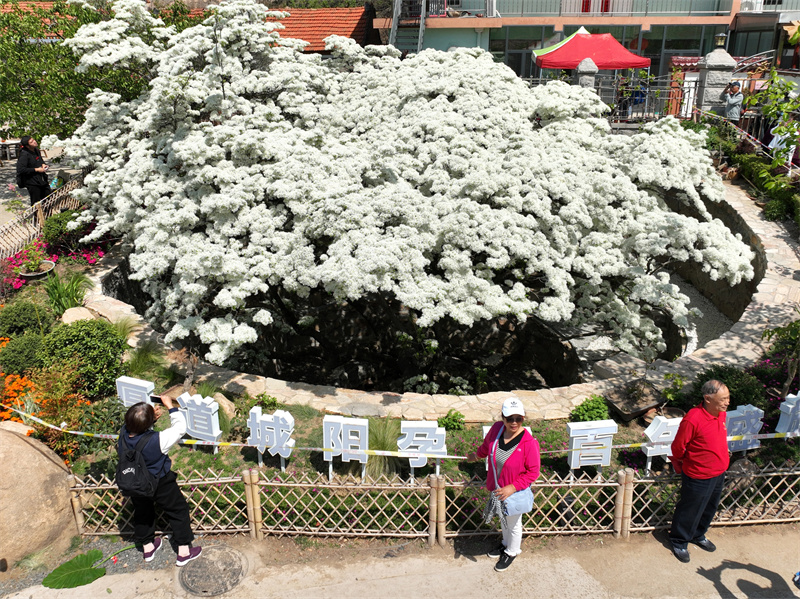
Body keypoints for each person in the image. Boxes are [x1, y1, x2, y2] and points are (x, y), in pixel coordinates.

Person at [120, 397, 202, 566]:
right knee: (178, 510)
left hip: (136, 482)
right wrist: (170, 407)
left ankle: (148, 547)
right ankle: (184, 551)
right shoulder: (158, 440)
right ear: (148, 423)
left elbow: (137, 429)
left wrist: (150, 420)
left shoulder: (123, 434)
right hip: (160, 482)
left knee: (142, 511)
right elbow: (180, 428)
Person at [466, 396, 540, 572]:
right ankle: (506, 544)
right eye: (509, 419)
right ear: (502, 418)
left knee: (513, 523)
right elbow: (487, 447)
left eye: (518, 418)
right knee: (504, 518)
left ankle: (512, 551)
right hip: (498, 488)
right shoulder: (497, 429)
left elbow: (533, 472)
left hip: (514, 491)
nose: (514, 423)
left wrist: (512, 487)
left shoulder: (529, 443)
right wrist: (476, 456)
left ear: (523, 418)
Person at [668, 379, 730, 563]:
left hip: (718, 472)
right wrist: (688, 462)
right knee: (690, 509)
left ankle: (698, 534)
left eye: (728, 398)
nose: (727, 402)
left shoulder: (721, 414)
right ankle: (679, 540)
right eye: (723, 399)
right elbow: (678, 447)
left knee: (710, 507)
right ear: (707, 399)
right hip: (698, 474)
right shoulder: (693, 418)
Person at [15, 136, 50, 205]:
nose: (34, 142)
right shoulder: (24, 154)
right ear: (27, 146)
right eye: (31, 142)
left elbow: (40, 160)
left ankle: (48, 214)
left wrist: (43, 164)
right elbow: (21, 169)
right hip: (31, 181)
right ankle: (37, 215)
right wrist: (36, 169)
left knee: (48, 196)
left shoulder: (36, 150)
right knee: (36, 202)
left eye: (33, 140)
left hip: (41, 179)